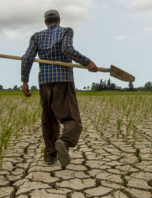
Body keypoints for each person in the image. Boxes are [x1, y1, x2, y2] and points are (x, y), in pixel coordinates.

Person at [21, 9, 98, 168]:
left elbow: (27, 57)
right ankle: (64, 141)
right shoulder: (66, 31)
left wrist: (25, 81)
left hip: (44, 82)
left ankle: (50, 156)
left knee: (48, 120)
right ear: (59, 20)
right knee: (71, 119)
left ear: (45, 22)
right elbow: (67, 50)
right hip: (63, 81)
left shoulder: (37, 36)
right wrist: (87, 62)